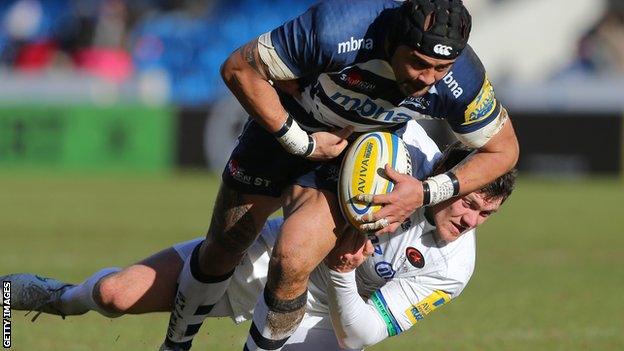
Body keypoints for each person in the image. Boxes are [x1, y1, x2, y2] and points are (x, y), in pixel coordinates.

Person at [165, 0, 520, 349]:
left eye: (442, 68)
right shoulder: (338, 28)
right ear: (395, 39)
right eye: (418, 63)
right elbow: (237, 69)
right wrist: (300, 142)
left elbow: (504, 150)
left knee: (293, 257)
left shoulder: (463, 79)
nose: (428, 79)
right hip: (286, 129)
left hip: (351, 153)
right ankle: (175, 345)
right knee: (224, 247)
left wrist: (427, 192)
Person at [2, 136, 516, 350]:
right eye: (468, 203)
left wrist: (339, 272)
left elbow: (361, 334)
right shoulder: (400, 149)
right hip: (265, 259)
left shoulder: (455, 265)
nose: (470, 220)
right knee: (114, 294)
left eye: (485, 215)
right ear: (445, 178)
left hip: (322, 325)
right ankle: (51, 296)